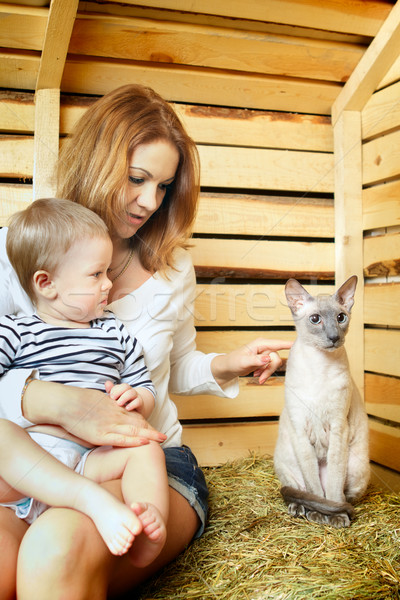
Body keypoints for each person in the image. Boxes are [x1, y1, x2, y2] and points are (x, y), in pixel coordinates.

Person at [0, 84, 293, 599]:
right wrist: (55, 401)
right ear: (96, 162)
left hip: (141, 460)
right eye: (137, 179)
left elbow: (172, 367)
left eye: (163, 185)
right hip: (31, 464)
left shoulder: (173, 267)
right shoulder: (18, 251)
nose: (149, 202)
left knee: (55, 549)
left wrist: (227, 364)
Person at [0, 197, 170, 567]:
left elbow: (143, 384)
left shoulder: (113, 331)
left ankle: (147, 524)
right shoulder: (15, 331)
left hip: (90, 459)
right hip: (28, 465)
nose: (109, 283)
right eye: (96, 275)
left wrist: (138, 399)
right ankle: (90, 502)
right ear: (46, 284)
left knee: (146, 449)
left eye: (107, 271)